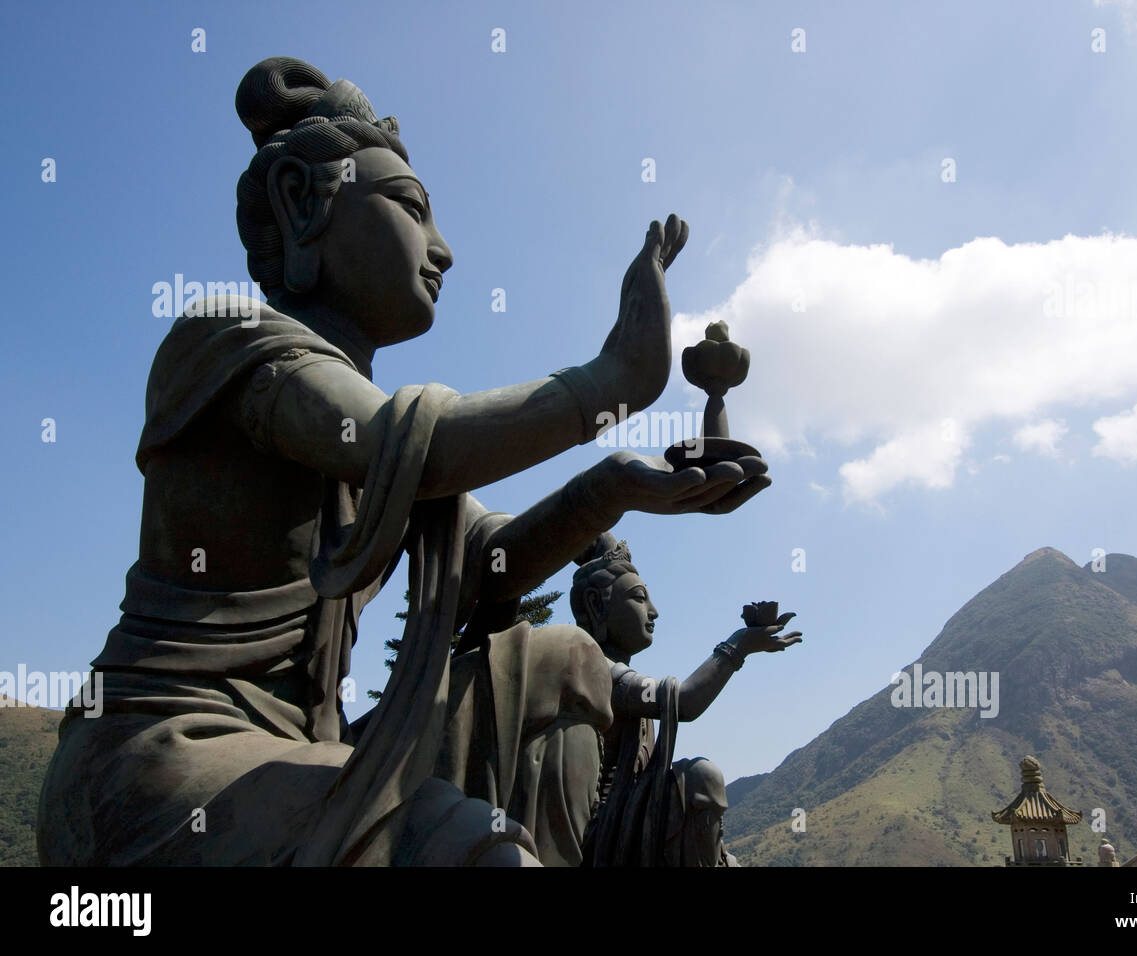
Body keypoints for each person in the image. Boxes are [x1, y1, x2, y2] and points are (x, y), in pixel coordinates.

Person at [36, 57, 769, 867]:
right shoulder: (229, 342)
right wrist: (611, 384)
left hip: (291, 756)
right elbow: (406, 449)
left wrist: (614, 488)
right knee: (464, 851)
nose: (442, 250)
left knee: (537, 690)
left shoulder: (387, 438)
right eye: (412, 210)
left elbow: (492, 566)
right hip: (155, 758)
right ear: (300, 201)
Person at [570, 536, 801, 866]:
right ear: (596, 605)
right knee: (700, 778)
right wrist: (739, 645)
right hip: (601, 832)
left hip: (629, 816)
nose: (654, 611)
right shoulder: (594, 669)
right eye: (638, 598)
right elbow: (685, 702)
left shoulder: (622, 677)